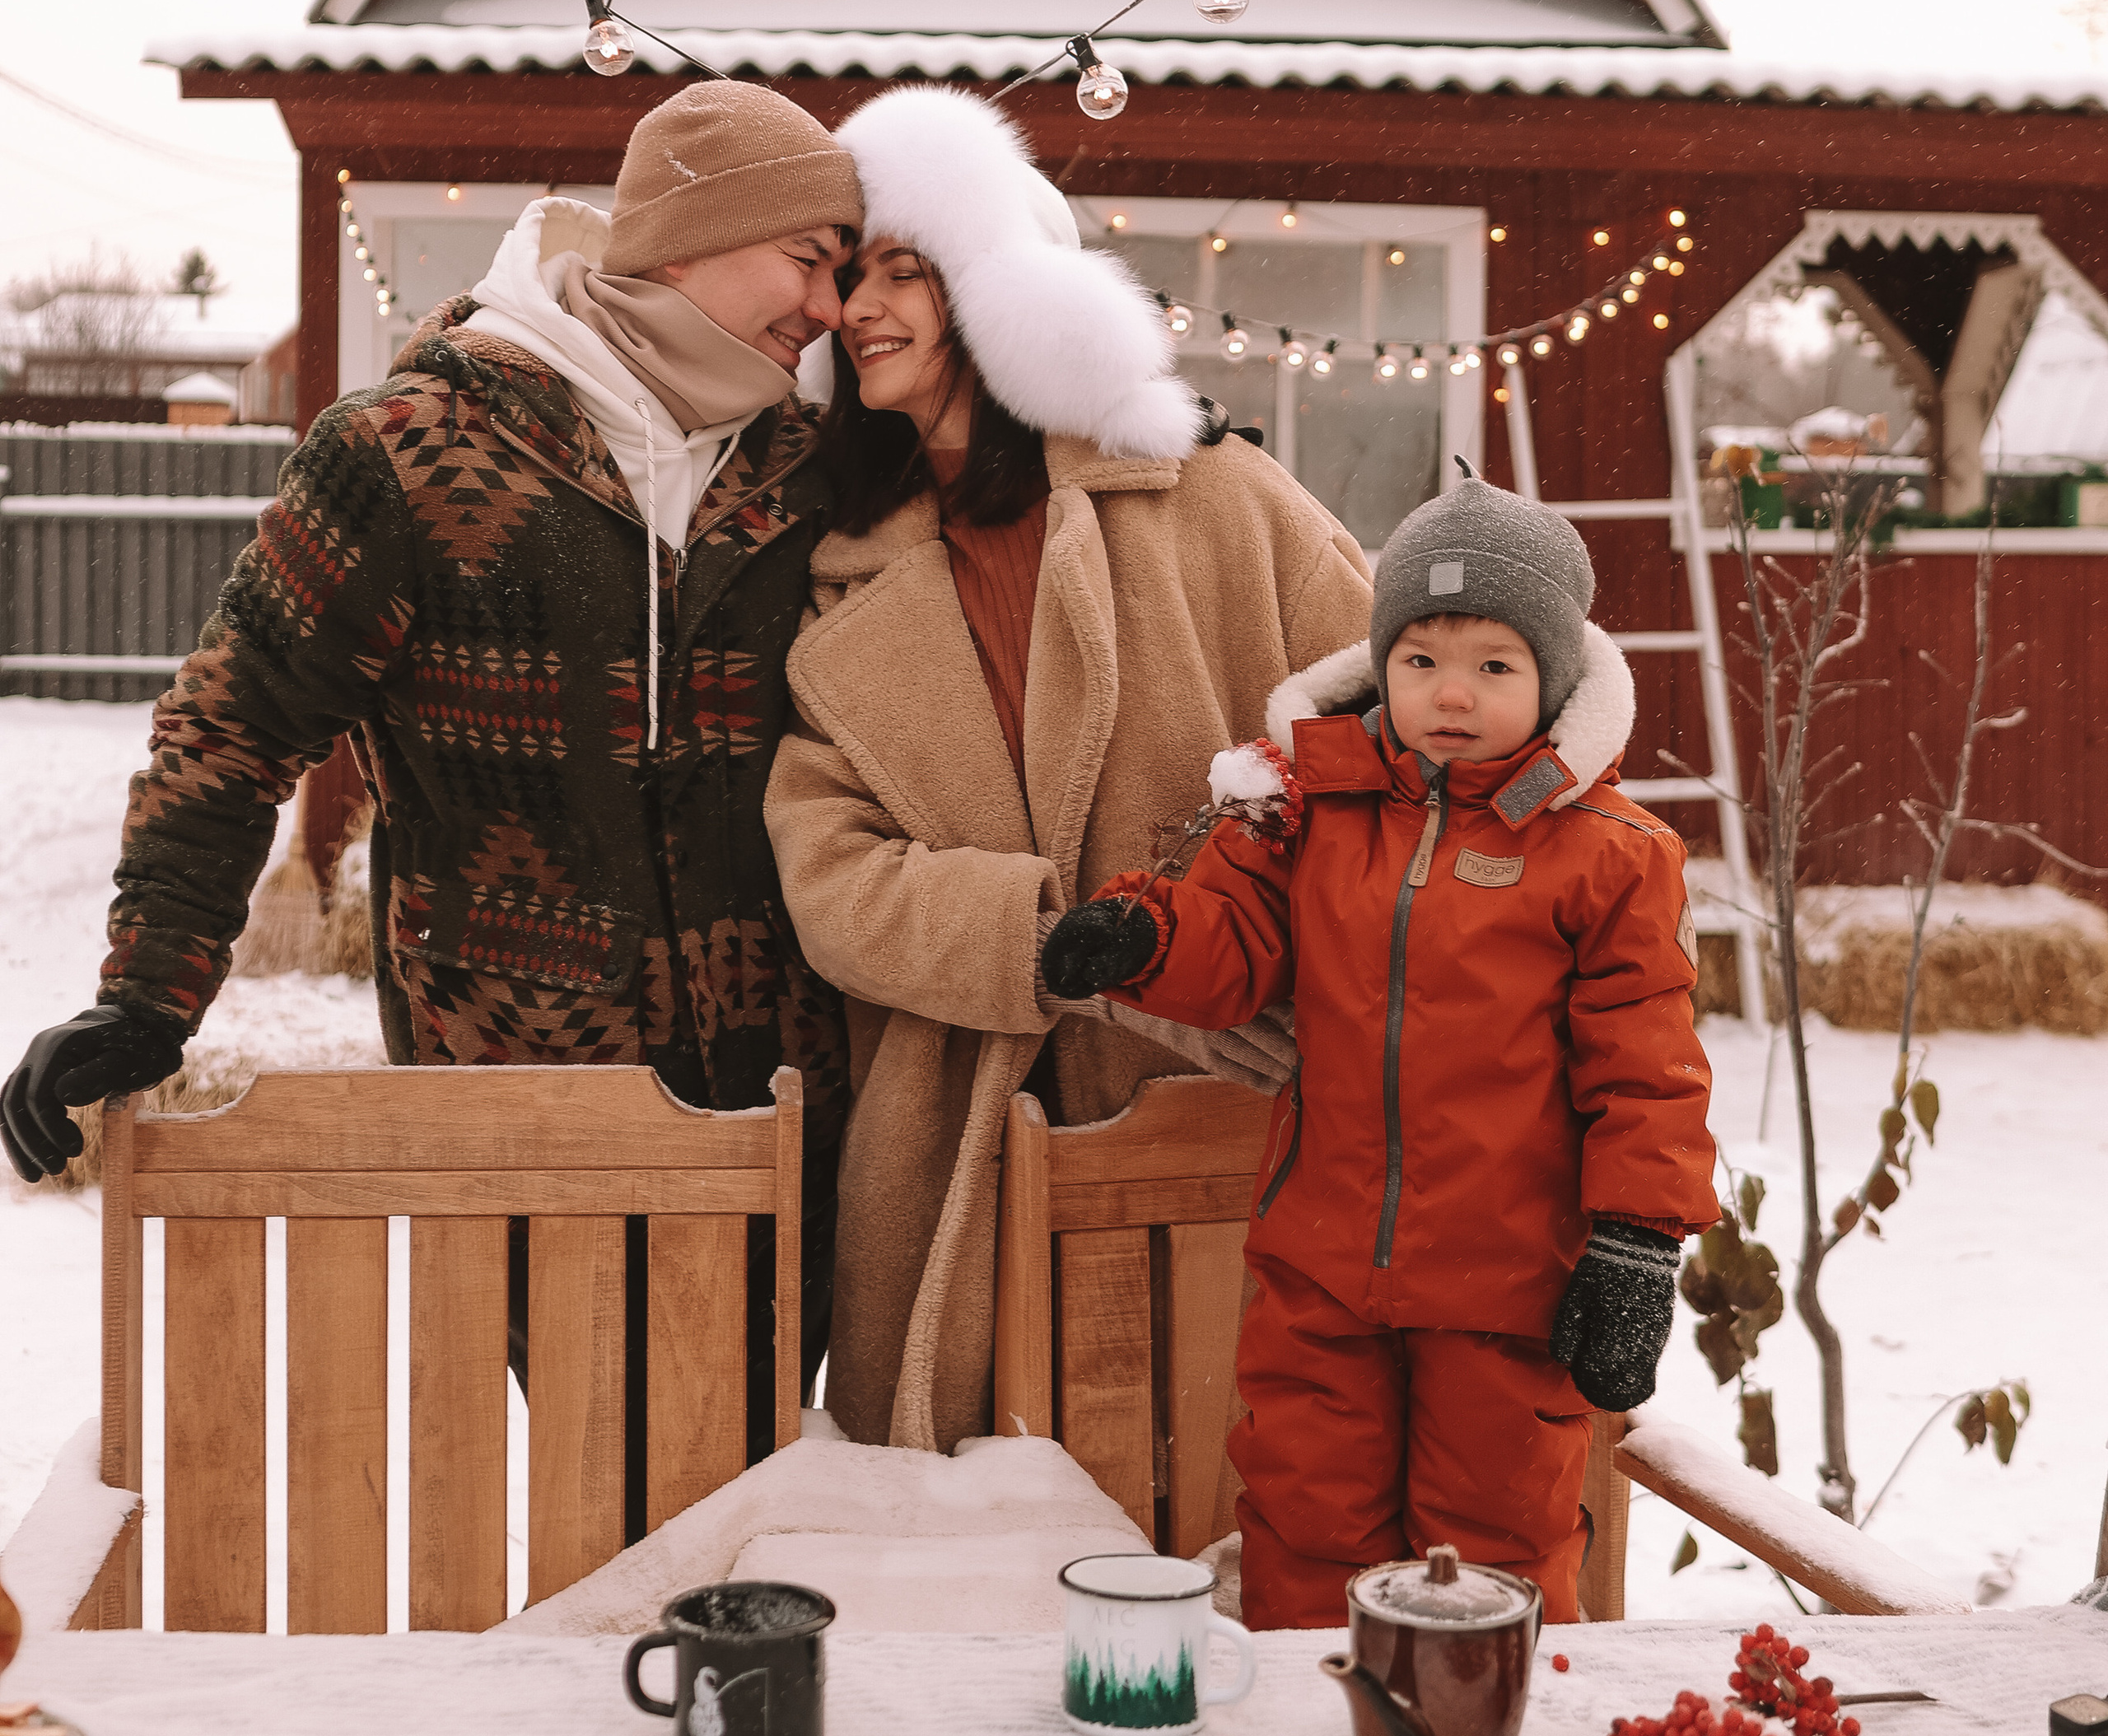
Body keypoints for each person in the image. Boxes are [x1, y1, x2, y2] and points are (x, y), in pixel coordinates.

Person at [1, 80, 865, 1472]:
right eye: (809, 261)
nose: (829, 307)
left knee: (758, 1478)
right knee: (617, 1475)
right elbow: (230, 724)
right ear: (699, 237)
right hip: (529, 1090)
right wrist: (146, 996)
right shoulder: (413, 451)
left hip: (789, 1093)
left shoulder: (807, 467)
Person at [763, 83, 1374, 1455]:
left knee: (1217, 1503)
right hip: (955, 1132)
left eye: (902, 271)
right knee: (966, 1567)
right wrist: (1037, 940)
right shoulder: (839, 571)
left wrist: (1252, 914)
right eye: (847, 276)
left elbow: (1390, 707)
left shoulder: (1216, 498)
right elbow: (827, 866)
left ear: (999, 294)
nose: (858, 306)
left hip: (1216, 1097)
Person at [1040, 461, 1719, 1630]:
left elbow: (1647, 1069)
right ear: (1383, 663)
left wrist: (1637, 1246)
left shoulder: (1608, 852)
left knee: (1494, 1542)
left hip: (1512, 1286)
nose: (1451, 694)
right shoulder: (1310, 808)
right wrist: (1141, 937)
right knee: (1307, 1515)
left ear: (1554, 676)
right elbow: (1235, 943)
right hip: (1321, 1267)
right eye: (1422, 662)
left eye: (1493, 666)